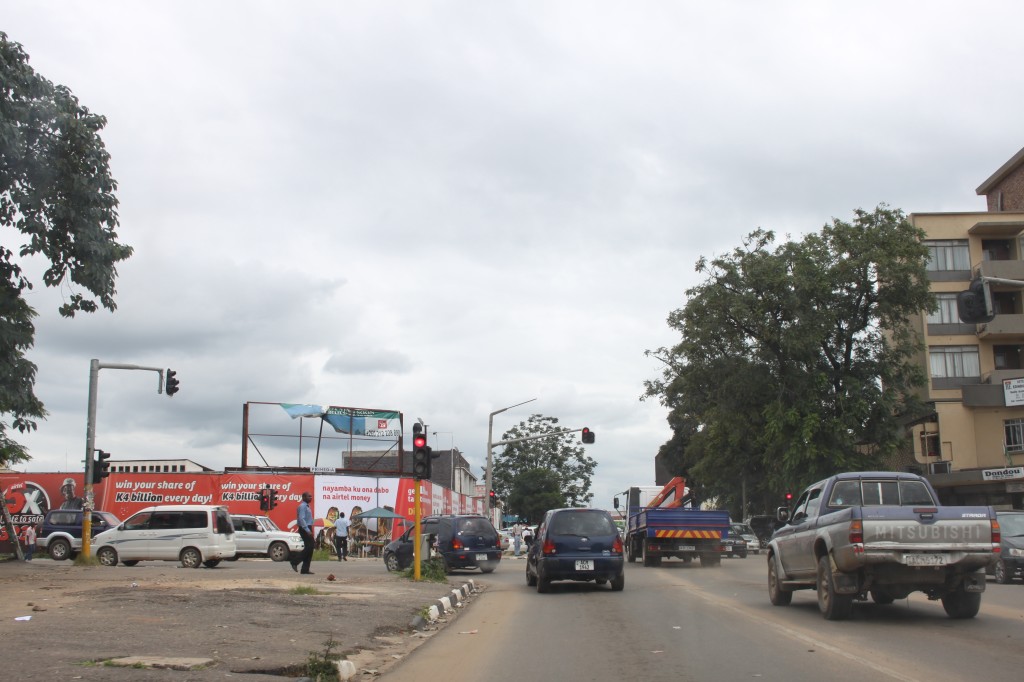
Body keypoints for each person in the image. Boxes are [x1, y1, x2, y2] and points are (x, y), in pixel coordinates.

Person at [291, 492, 315, 574]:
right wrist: (307, 530)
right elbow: (301, 519)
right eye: (309, 496)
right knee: (310, 546)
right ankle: (294, 561)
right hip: (304, 528)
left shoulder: (307, 506)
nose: (310, 498)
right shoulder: (302, 506)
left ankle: (305, 569)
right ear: (303, 497)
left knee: (310, 548)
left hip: (308, 527)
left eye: (311, 496)